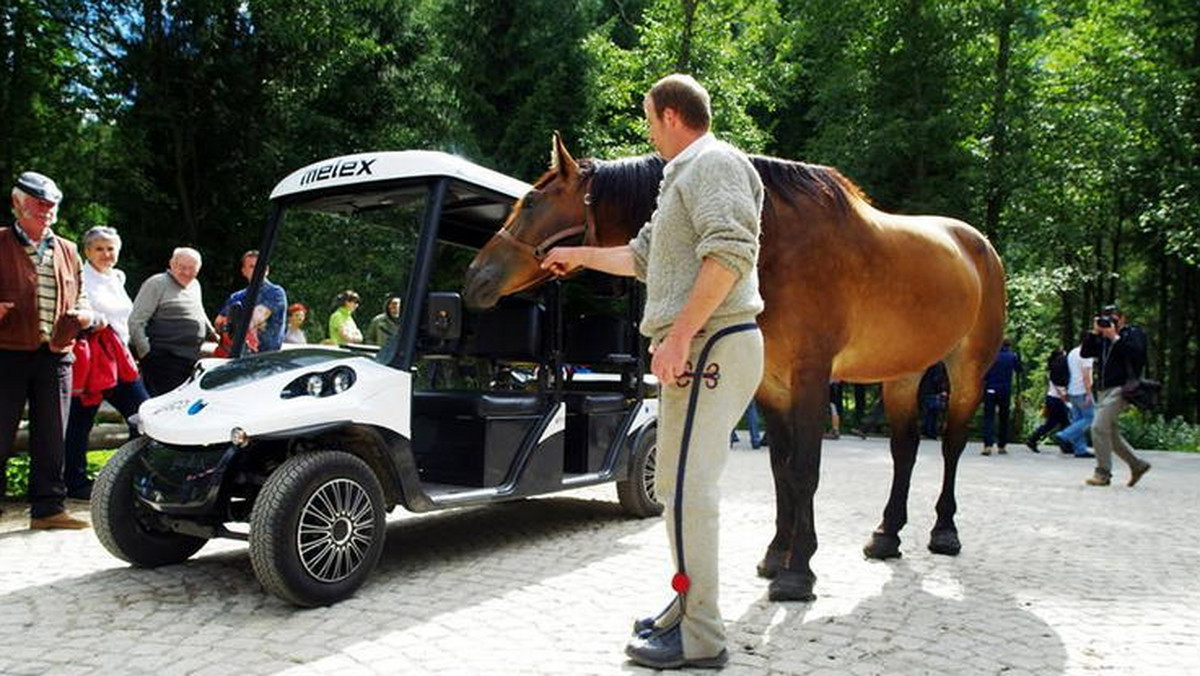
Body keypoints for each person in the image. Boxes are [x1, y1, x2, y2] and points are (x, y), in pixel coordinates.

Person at [541, 74, 764, 670]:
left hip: (712, 342)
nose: (646, 130)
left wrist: (682, 334)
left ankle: (702, 638)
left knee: (691, 489)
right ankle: (685, 606)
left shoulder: (714, 163)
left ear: (668, 115)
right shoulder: (679, 181)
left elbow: (731, 252)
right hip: (697, 344)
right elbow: (641, 258)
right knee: (672, 485)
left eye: (646, 117)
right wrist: (579, 255)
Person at [0, 171, 94, 529]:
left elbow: (82, 293)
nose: (47, 211)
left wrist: (85, 313)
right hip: (6, 351)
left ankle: (48, 509)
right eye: (39, 205)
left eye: (51, 206)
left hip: (56, 353)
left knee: (53, 434)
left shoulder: (68, 249)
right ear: (18, 204)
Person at [62, 226, 149, 499]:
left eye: (110, 248)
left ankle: (131, 475)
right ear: (87, 251)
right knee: (80, 421)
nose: (105, 254)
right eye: (99, 248)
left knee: (143, 415)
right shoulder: (80, 278)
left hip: (120, 359)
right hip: (92, 361)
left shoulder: (118, 277)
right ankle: (74, 483)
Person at [128, 247, 216, 396]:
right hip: (163, 358)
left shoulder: (195, 285)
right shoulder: (157, 283)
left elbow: (200, 314)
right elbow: (135, 321)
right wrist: (146, 353)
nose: (187, 272)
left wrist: (216, 336)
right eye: (182, 267)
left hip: (189, 358)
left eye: (192, 268)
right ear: (172, 264)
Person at [1081, 305, 1151, 487]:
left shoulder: (1133, 334)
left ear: (1122, 319)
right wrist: (1095, 333)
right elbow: (1085, 352)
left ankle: (1102, 473)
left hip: (1122, 388)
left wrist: (1115, 337)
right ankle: (1138, 465)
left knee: (1097, 427)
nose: (1108, 322)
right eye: (1105, 318)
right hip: (1103, 390)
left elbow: (1137, 356)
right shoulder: (1102, 337)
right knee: (1110, 434)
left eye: (1112, 318)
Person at [214, 250, 287, 354]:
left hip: (266, 358)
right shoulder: (236, 296)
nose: (257, 270)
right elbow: (218, 323)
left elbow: (253, 319)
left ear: (266, 270)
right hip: (236, 357)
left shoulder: (275, 292)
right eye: (252, 267)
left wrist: (231, 323)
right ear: (243, 271)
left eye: (260, 266)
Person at [1055, 331, 1095, 457]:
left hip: (1072, 390)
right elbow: (1086, 376)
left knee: (1078, 419)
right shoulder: (1086, 355)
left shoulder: (1073, 352)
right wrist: (1089, 393)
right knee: (1090, 417)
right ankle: (1065, 435)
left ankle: (1080, 449)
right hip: (1082, 390)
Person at [1025, 347, 1070, 453]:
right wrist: (1065, 398)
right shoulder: (1057, 369)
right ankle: (1065, 445)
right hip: (1057, 399)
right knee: (1064, 423)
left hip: (1051, 398)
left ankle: (1033, 439)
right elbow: (1059, 386)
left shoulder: (1052, 368)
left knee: (1052, 423)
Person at [981, 339, 1021, 455]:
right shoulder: (1011, 356)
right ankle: (1002, 445)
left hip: (990, 389)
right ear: (1009, 346)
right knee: (1004, 418)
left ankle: (988, 445)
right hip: (1005, 390)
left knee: (989, 417)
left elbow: (984, 373)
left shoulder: (991, 356)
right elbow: (1019, 369)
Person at [918, 362, 949, 439]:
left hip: (926, 390)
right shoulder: (938, 365)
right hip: (933, 391)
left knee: (928, 412)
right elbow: (938, 378)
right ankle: (931, 432)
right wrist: (942, 389)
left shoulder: (925, 364)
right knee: (933, 413)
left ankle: (926, 431)